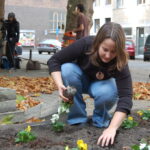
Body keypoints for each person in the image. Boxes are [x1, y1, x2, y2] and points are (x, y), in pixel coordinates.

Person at [47, 22, 133, 147]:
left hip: (101, 86)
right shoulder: (86, 44)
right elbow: (54, 60)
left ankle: (101, 121)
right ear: (98, 43)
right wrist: (60, 84)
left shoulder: (120, 61)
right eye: (105, 49)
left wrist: (112, 128)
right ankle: (77, 119)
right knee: (67, 70)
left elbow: (126, 98)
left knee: (108, 91)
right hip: (78, 81)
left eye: (113, 52)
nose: (108, 55)